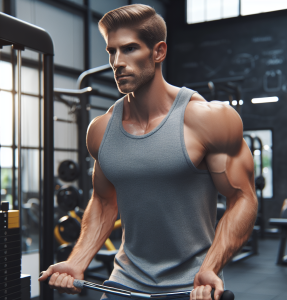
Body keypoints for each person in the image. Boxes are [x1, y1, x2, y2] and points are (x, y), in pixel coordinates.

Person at [39, 4, 257, 300]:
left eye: (129, 49)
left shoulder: (207, 120)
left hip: (193, 286)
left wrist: (211, 266)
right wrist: (78, 261)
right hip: (125, 281)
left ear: (158, 52)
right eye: (111, 51)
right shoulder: (101, 131)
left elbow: (242, 197)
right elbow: (104, 201)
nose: (117, 62)